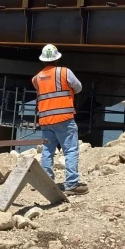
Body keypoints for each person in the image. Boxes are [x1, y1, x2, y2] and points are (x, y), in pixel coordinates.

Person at [31, 43, 89, 195]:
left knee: (47, 151)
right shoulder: (64, 72)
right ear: (57, 59)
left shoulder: (36, 79)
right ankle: (72, 184)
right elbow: (78, 87)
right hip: (64, 118)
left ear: (43, 60)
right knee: (70, 149)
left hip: (45, 120)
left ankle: (46, 182)